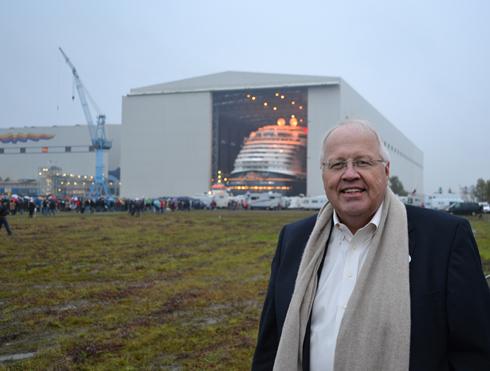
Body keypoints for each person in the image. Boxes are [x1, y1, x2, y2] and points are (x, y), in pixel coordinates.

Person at [252, 119, 490, 371]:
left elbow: (475, 353)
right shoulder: (294, 239)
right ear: (324, 174)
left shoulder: (445, 238)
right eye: (337, 164)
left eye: (363, 162)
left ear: (386, 170)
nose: (350, 174)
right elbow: (271, 345)